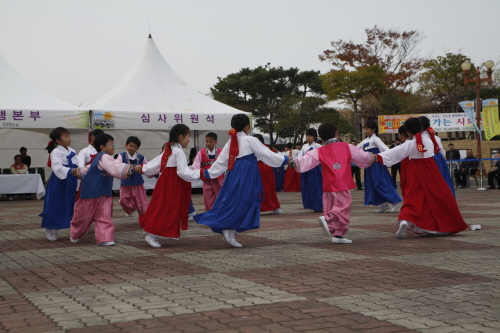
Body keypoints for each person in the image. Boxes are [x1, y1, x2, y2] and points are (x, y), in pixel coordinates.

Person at [194, 114, 288, 248]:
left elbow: (221, 162)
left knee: (235, 201)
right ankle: (230, 229)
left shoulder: (231, 141)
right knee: (248, 201)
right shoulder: (251, 140)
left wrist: (207, 172)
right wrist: (285, 159)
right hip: (248, 174)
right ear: (247, 126)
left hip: (234, 173)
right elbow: (267, 154)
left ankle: (230, 229)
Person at [375, 118, 468, 239]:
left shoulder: (410, 143)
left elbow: (394, 153)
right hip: (431, 171)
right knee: (438, 196)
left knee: (413, 197)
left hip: (415, 171)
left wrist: (375, 157)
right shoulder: (430, 140)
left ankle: (405, 219)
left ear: (408, 132)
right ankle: (441, 224)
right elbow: (440, 153)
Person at [289, 122, 374, 244]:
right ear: (336, 133)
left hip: (328, 184)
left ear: (321, 138)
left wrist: (292, 161)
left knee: (331, 206)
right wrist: (373, 157)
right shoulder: (347, 147)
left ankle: (337, 235)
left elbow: (304, 160)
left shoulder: (320, 150)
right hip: (342, 182)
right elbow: (364, 157)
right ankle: (327, 219)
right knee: (344, 206)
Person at [70, 134, 142, 245]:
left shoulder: (101, 157)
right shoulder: (104, 157)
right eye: (111, 144)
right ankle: (76, 234)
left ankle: (105, 238)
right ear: (102, 147)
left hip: (102, 192)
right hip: (92, 192)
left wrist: (79, 172)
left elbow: (89, 168)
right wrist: (132, 168)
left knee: (104, 215)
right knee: (84, 216)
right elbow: (115, 168)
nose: (113, 146)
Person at [139, 124, 201, 248]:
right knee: (168, 209)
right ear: (181, 136)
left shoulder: (169, 149)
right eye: (188, 136)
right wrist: (200, 173)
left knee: (163, 208)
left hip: (167, 182)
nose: (189, 139)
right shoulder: (178, 151)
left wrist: (143, 168)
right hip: (173, 183)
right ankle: (152, 235)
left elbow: (153, 165)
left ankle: (154, 233)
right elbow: (183, 172)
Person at [39, 127, 79, 241]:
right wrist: (70, 171)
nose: (69, 138)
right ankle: (48, 229)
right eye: (66, 137)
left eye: (69, 136)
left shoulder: (72, 151)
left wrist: (80, 172)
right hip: (59, 181)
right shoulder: (56, 151)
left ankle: (62, 224)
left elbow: (78, 164)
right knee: (55, 204)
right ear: (58, 141)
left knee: (69, 204)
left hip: (70, 181)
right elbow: (56, 167)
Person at [357, 120, 402, 213]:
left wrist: (388, 159)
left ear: (374, 129)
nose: (365, 130)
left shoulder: (376, 139)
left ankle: (395, 201)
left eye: (368, 129)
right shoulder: (365, 141)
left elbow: (385, 149)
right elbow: (356, 149)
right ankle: (384, 204)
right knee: (372, 185)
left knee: (380, 183)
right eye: (365, 129)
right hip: (369, 166)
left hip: (377, 165)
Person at [419, 116, 455, 196]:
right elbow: (442, 152)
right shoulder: (435, 137)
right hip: (438, 159)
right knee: (442, 181)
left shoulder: (417, 138)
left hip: (425, 161)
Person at [191, 132, 225, 211]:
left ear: (216, 142)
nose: (208, 143)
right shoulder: (201, 152)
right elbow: (196, 164)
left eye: (210, 141)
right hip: (206, 177)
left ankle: (222, 211)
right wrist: (193, 170)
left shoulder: (221, 151)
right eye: (207, 141)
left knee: (221, 195)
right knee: (208, 196)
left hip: (218, 177)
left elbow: (225, 162)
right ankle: (209, 212)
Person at [117, 136, 149, 217]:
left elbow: (148, 167)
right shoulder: (121, 156)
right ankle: (130, 209)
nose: (132, 148)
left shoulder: (141, 157)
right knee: (123, 200)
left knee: (141, 202)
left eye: (135, 147)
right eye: (130, 146)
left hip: (138, 183)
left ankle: (145, 219)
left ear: (137, 148)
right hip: (125, 183)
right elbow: (117, 166)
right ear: (126, 145)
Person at [253, 134, 281, 215]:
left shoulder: (265, 148)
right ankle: (257, 207)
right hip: (256, 168)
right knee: (256, 189)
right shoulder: (252, 148)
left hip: (264, 169)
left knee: (267, 189)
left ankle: (275, 207)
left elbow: (274, 156)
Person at [298, 128, 323, 212]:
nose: (308, 137)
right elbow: (300, 156)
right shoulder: (304, 146)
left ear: (315, 137)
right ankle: (310, 204)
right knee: (306, 187)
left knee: (316, 187)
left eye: (310, 136)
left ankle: (319, 206)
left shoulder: (318, 146)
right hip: (305, 169)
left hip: (315, 169)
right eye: (307, 135)